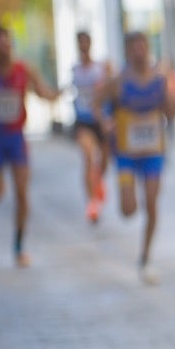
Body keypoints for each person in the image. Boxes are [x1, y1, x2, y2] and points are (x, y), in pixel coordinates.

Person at [97, 32, 175, 284]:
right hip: (126, 153)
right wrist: (105, 120)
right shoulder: (119, 82)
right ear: (127, 51)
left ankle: (145, 256)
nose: (139, 52)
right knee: (128, 210)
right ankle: (124, 195)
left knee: (152, 204)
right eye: (134, 47)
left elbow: (171, 111)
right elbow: (97, 103)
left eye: (142, 46)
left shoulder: (159, 80)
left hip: (153, 151)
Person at [0, 25, 61, 267]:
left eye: (7, 41)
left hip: (16, 138)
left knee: (22, 193)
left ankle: (19, 245)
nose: (5, 47)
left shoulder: (24, 69)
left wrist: (58, 94)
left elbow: (43, 92)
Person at [69, 30, 113, 224]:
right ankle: (92, 203)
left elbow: (110, 88)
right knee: (88, 158)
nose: (83, 46)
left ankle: (98, 183)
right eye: (80, 43)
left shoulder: (100, 68)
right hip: (83, 121)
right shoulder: (74, 70)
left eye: (86, 42)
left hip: (100, 120)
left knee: (103, 162)